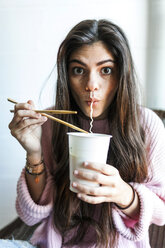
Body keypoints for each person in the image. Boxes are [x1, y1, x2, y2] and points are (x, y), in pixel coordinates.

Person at [6, 19, 165, 248]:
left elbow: (161, 211)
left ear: (122, 74)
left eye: (106, 70)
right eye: (78, 70)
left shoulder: (146, 125)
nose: (91, 84)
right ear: (66, 75)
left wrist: (124, 194)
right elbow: (31, 217)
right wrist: (34, 153)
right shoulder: (52, 122)